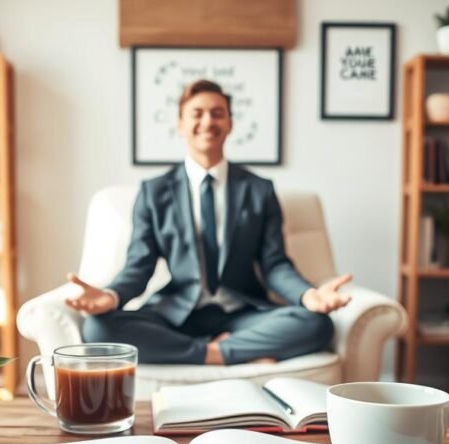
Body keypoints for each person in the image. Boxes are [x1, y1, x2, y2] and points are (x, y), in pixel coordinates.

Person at [65, 79, 352, 365]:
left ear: (229, 123)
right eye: (197, 113)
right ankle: (218, 352)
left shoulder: (259, 190)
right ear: (180, 124)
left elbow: (275, 264)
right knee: (98, 328)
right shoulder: (154, 193)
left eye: (217, 113)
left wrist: (308, 295)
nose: (207, 121)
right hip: (176, 315)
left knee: (316, 324)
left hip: (242, 314)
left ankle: (206, 350)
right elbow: (139, 266)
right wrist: (111, 296)